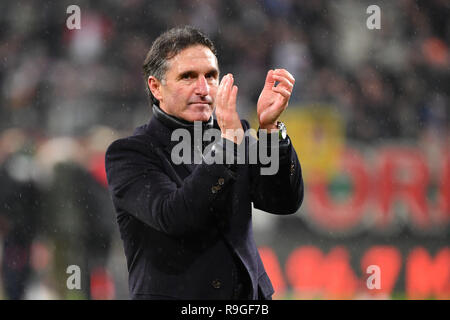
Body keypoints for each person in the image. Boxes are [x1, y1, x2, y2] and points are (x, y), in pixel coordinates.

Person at [105, 26, 304, 300]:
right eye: (188, 77)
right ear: (156, 87)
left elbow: (282, 201)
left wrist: (270, 129)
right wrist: (227, 146)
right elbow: (175, 216)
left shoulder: (236, 134)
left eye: (210, 76)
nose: (203, 89)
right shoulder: (130, 153)